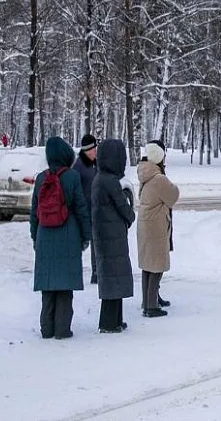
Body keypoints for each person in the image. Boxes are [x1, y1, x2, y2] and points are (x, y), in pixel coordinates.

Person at [30, 136, 91, 340]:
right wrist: (85, 235)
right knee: (65, 286)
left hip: (44, 235)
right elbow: (81, 208)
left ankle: (46, 329)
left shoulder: (40, 178)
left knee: (47, 287)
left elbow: (34, 212)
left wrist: (35, 237)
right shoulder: (72, 177)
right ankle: (63, 330)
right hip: (68, 235)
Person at [91, 138, 135, 333]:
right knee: (114, 278)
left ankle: (115, 319)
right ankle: (109, 322)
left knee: (112, 277)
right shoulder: (110, 182)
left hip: (105, 235)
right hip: (113, 236)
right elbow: (126, 210)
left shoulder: (99, 178)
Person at [137, 139, 179, 317]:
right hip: (156, 227)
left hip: (146, 225)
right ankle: (151, 306)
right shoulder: (159, 178)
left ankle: (148, 300)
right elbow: (173, 195)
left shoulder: (146, 173)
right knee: (156, 266)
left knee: (148, 265)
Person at [72, 134, 98, 284]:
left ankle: (96, 272)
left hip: (94, 209)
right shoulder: (79, 166)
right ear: (87, 149)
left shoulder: (95, 162)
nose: (95, 151)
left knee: (96, 242)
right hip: (84, 210)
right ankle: (75, 272)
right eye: (93, 148)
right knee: (82, 242)